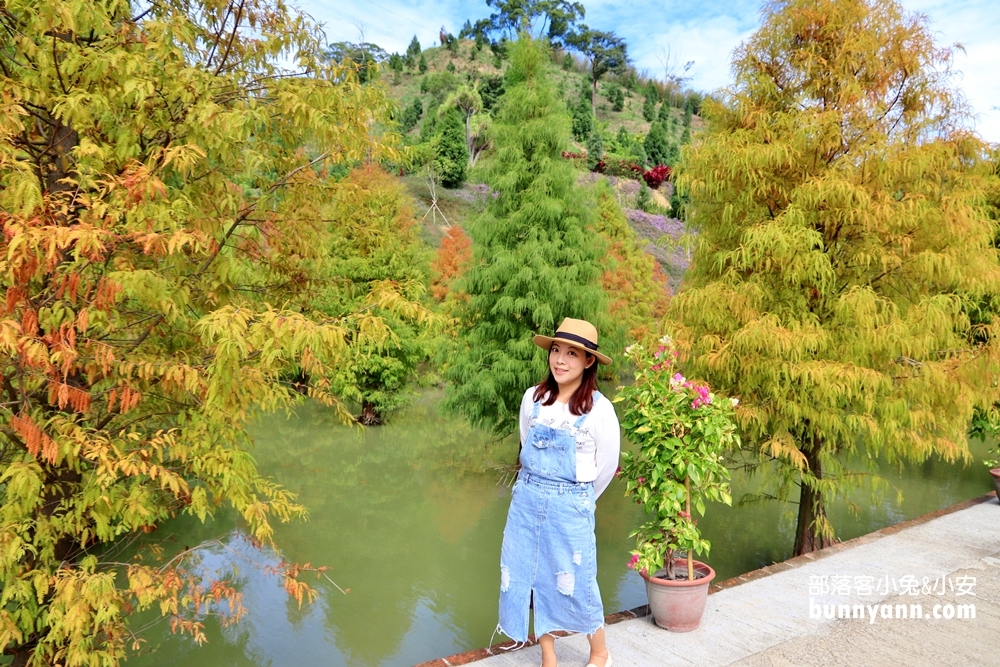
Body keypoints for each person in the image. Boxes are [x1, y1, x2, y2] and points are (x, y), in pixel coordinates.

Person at [497, 318, 620, 667]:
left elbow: (607, 467)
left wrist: (579, 502)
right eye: (556, 351)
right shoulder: (533, 398)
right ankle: (548, 657)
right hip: (526, 500)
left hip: (571, 506)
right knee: (531, 575)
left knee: (578, 580)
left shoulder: (599, 410)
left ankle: (599, 652)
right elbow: (526, 445)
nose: (560, 360)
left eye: (571, 354)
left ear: (588, 361)